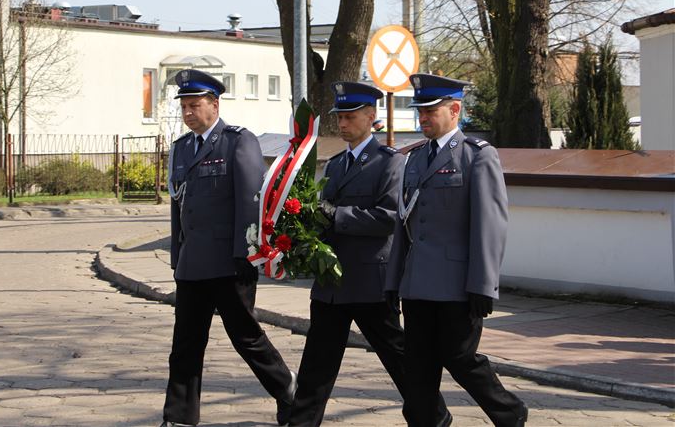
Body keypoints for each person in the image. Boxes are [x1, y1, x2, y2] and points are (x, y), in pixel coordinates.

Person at [287, 82, 450, 427]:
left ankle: (434, 416)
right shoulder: (335, 165)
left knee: (398, 357)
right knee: (317, 361)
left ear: (370, 116)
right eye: (339, 117)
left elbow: (389, 218)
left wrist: (337, 215)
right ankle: (302, 422)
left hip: (370, 280)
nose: (342, 123)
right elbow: (323, 214)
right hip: (331, 283)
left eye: (350, 117)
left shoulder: (389, 162)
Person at [385, 73, 529, 427]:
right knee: (417, 367)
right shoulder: (415, 158)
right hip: (417, 284)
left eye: (430, 111)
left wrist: (483, 284)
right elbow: (404, 225)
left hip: (456, 285)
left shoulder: (477, 156)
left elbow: (490, 225)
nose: (423, 117)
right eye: (420, 111)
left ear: (454, 110)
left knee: (460, 358)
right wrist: (393, 280)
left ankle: (510, 412)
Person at [162, 69, 296, 427]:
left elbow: (250, 201)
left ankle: (288, 391)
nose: (188, 112)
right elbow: (178, 209)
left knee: (246, 337)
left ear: (214, 105)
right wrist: (177, 257)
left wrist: (246, 254)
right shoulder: (181, 149)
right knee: (185, 345)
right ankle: (179, 417)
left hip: (228, 263)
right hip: (192, 264)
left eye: (195, 105)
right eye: (184, 107)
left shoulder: (237, 141)